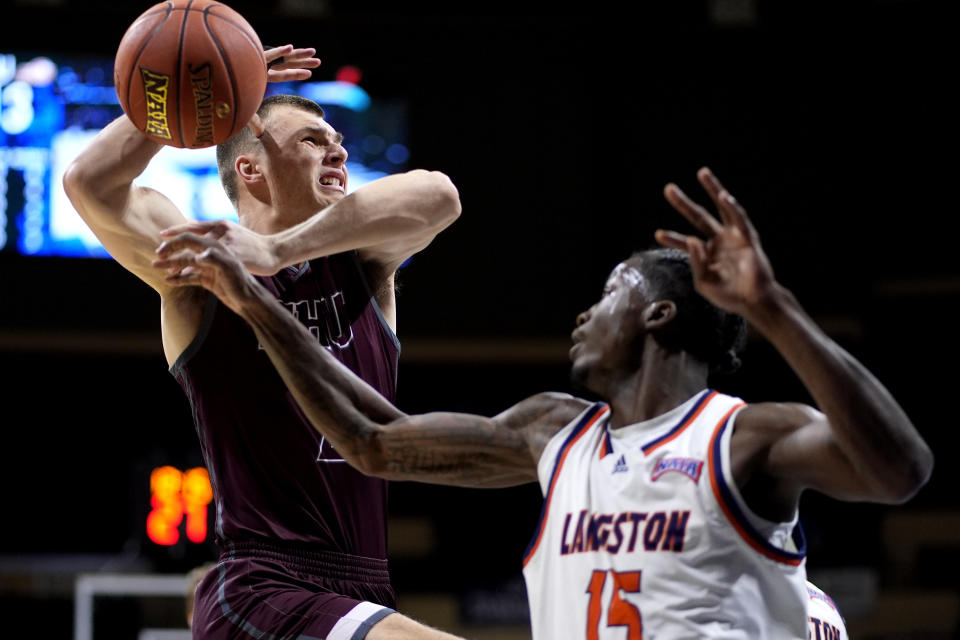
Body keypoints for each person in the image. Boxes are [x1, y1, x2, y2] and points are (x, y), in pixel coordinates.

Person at [153, 166, 934, 638]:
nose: (584, 316)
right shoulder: (555, 434)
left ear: (661, 315)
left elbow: (899, 470)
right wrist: (256, 306)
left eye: (610, 295)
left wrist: (774, 308)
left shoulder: (742, 439)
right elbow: (371, 440)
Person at [63, 43, 465, 639]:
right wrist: (186, 101)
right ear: (250, 169)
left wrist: (280, 250)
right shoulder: (204, 267)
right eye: (311, 139)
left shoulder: (362, 264)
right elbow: (89, 183)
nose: (338, 148)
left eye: (336, 140)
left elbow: (440, 196)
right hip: (262, 585)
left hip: (365, 582)